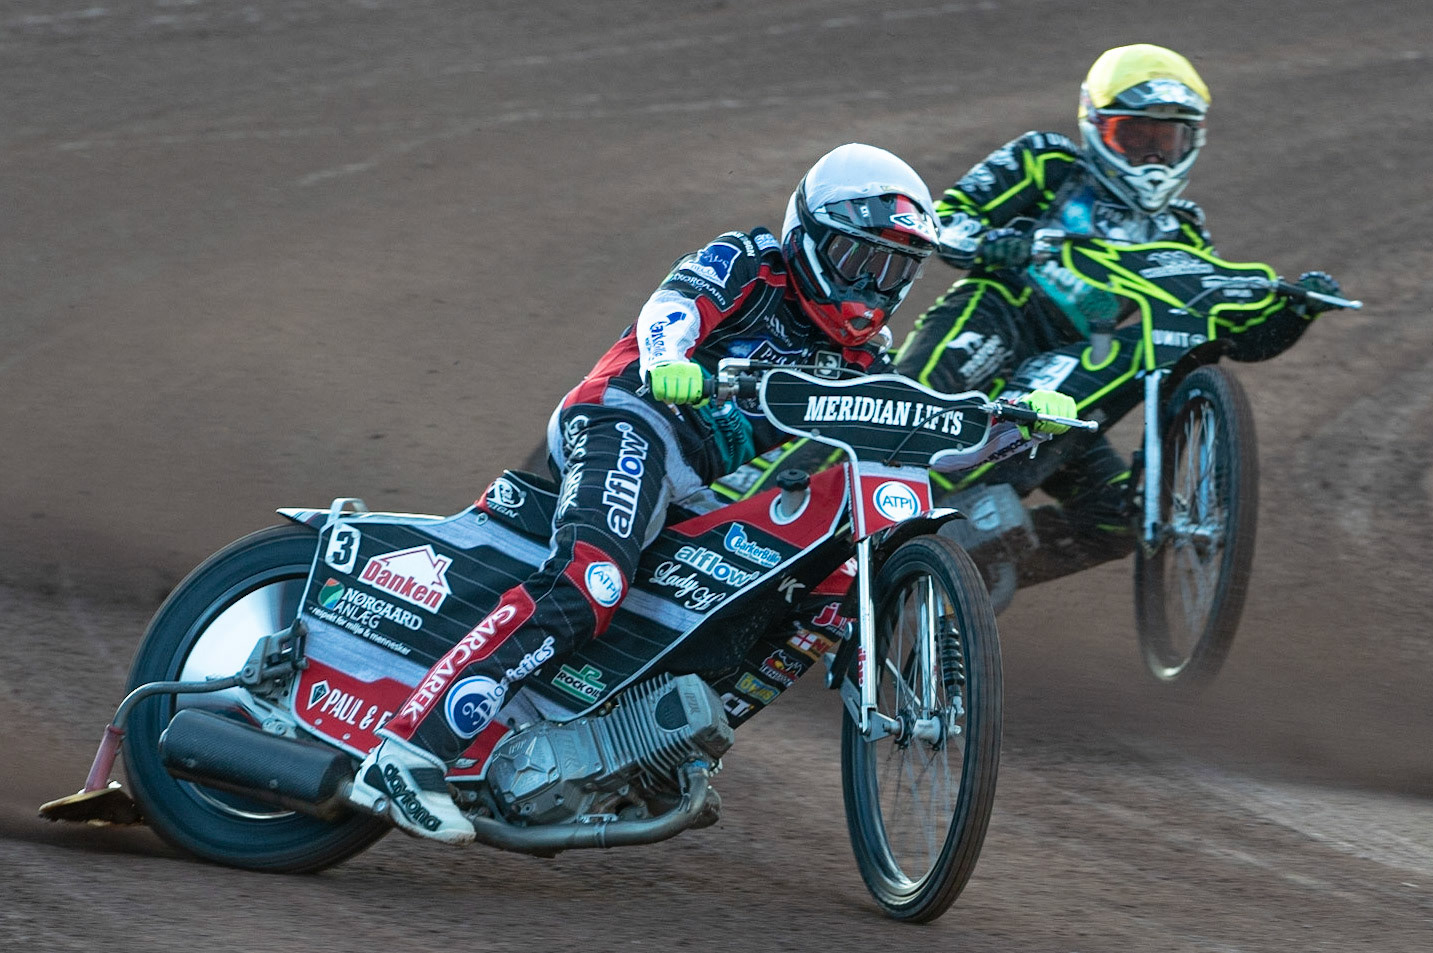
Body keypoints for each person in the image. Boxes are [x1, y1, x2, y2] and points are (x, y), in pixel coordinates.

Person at [349, 143, 1075, 844]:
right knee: (590, 581)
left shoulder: (863, 354)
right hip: (627, 419)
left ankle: (647, 749)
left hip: (689, 477)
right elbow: (671, 311)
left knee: (786, 587)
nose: (873, 285)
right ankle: (410, 754)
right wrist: (669, 361)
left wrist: (1016, 421)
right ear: (813, 237)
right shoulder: (748, 262)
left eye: (894, 269)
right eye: (862, 258)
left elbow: (904, 426)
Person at [892, 43, 1343, 587]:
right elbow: (944, 219)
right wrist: (994, 244)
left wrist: (1295, 313)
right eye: (1136, 138)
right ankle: (790, 500)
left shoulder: (1184, 232)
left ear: (1192, 142)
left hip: (1075, 365)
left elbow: (1234, 332)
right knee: (897, 420)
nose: (1153, 156)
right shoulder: (1049, 162)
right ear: (1099, 127)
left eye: (1167, 140)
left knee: (1115, 519)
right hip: (998, 314)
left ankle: (968, 568)